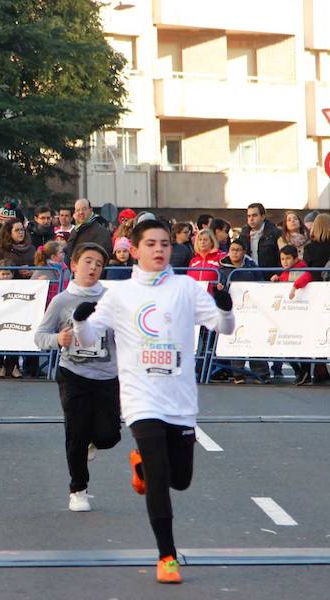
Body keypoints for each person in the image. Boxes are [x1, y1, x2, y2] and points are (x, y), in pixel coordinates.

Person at [71, 219, 235, 584]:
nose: (159, 249)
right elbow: (89, 333)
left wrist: (224, 309)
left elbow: (223, 328)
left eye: (164, 243)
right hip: (140, 397)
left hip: (179, 398)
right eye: (151, 244)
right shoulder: (120, 294)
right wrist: (81, 322)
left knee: (181, 479)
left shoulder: (186, 288)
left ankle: (141, 467)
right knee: (161, 479)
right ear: (135, 249)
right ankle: (167, 556)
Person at [35, 242, 119, 512]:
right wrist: (58, 338)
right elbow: (40, 336)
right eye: (88, 261)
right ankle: (78, 490)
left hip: (107, 375)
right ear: (73, 265)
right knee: (76, 433)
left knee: (109, 436)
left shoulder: (111, 298)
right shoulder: (62, 301)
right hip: (73, 374)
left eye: (98, 264)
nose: (93, 267)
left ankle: (94, 440)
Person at [218, 239, 260, 384]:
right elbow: (219, 290)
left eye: (238, 250)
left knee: (254, 338)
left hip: (252, 309)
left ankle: (260, 372)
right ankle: (238, 373)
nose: (234, 252)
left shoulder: (251, 266)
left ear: (244, 252)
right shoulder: (222, 267)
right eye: (232, 249)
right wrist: (220, 288)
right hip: (232, 309)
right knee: (236, 338)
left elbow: (260, 283)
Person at [271, 245, 314, 385]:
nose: (285, 262)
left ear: (296, 258)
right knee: (286, 344)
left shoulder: (302, 268)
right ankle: (299, 370)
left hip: (301, 312)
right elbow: (283, 284)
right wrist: (277, 280)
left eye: (288, 258)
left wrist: (295, 286)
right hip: (287, 314)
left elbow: (307, 276)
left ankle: (305, 371)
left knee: (301, 344)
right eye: (282, 259)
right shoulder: (284, 272)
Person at [238, 202, 282, 279]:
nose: (251, 219)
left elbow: (281, 256)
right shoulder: (244, 233)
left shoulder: (275, 233)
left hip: (270, 277)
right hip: (248, 276)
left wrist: (278, 274)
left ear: (263, 216)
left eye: (254, 215)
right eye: (249, 216)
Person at [66, 198, 112, 263]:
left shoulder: (101, 231)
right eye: (78, 210)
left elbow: (103, 255)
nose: (81, 212)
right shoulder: (75, 230)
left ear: (90, 210)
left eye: (84, 209)